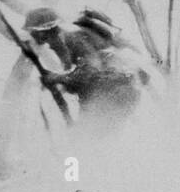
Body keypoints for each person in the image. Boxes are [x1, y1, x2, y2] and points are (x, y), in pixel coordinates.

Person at [24, 7, 154, 127]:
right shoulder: (69, 40)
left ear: (45, 32)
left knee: (89, 138)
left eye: (36, 35)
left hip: (113, 91)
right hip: (112, 91)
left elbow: (88, 72)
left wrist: (56, 78)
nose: (47, 45)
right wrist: (55, 81)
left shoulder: (72, 38)